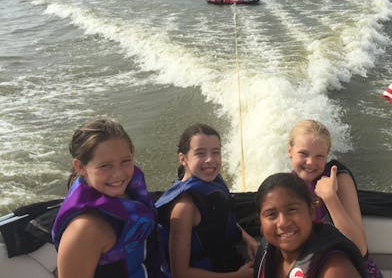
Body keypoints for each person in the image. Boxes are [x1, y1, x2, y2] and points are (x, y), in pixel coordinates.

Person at [52, 119, 158, 278]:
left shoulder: (129, 195)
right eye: (105, 165)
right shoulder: (84, 230)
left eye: (125, 161)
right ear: (80, 167)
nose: (119, 174)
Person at [155, 123, 258, 278]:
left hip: (226, 259)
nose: (210, 159)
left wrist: (248, 240)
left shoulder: (212, 182)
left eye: (216, 152)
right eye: (200, 153)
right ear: (183, 159)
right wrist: (238, 276)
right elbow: (180, 273)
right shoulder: (184, 208)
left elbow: (222, 217)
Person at [288, 119, 383, 277]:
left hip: (348, 267)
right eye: (303, 153)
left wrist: (330, 198)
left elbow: (359, 249)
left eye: (319, 156)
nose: (311, 162)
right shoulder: (285, 187)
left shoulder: (339, 179)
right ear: (290, 150)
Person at [254, 172, 367, 278]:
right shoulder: (269, 254)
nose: (283, 222)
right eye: (271, 214)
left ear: (311, 211)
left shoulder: (335, 270)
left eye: (292, 210)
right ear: (261, 223)